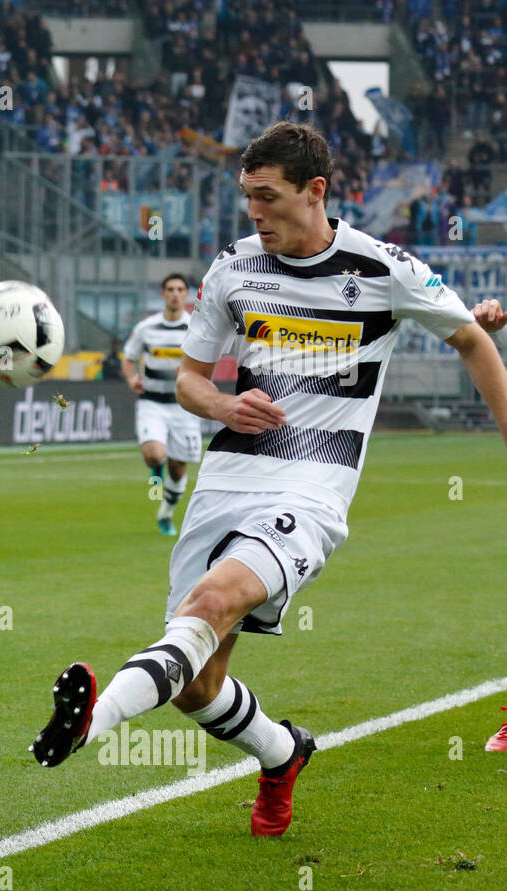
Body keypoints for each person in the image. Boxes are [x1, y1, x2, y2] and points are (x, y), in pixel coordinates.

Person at [31, 122, 507, 836]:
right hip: (226, 479)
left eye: (267, 197)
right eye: (247, 198)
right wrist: (224, 402)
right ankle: (284, 754)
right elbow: (190, 382)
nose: (255, 213)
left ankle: (89, 724)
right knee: (197, 685)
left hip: (312, 485)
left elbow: (472, 338)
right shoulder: (234, 267)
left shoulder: (382, 269)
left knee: (217, 598)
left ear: (315, 192)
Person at [120, 273, 203, 535]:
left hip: (183, 405)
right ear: (163, 294)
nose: (175, 294)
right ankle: (156, 467)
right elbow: (129, 356)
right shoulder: (147, 327)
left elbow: (207, 361)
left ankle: (166, 512)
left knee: (178, 469)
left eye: (180, 289)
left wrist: (192, 370)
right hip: (152, 402)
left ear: (187, 295)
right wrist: (132, 378)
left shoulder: (195, 327)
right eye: (170, 289)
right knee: (154, 453)